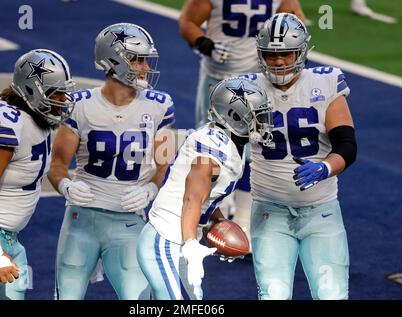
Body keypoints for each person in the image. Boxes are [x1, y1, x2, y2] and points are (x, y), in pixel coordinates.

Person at [47, 22, 175, 300]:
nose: (144, 67)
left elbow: (165, 164)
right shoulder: (79, 104)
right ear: (113, 60)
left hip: (129, 220)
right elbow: (57, 165)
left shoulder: (159, 105)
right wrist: (66, 186)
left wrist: (151, 189)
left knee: (140, 301)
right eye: (137, 59)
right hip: (82, 216)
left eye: (145, 59)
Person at [244, 13, 357, 300]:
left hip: (321, 209)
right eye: (272, 55)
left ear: (301, 52)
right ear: (261, 55)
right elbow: (224, 154)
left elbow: (346, 144)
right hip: (270, 212)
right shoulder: (246, 90)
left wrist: (324, 167)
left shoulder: (326, 82)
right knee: (273, 294)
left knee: (332, 295)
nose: (279, 62)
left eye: (286, 53)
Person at [0, 49, 76, 300]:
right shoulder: (6, 122)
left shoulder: (30, 113)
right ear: (32, 91)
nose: (63, 99)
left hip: (7, 237)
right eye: (56, 93)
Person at [179, 0, 307, 239]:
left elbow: (295, 24)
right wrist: (204, 44)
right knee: (212, 143)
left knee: (254, 145)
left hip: (258, 80)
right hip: (218, 77)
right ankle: (215, 204)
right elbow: (188, 23)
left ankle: (245, 217)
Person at [137, 77, 274, 300]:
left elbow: (205, 197)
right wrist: (191, 244)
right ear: (236, 117)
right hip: (165, 238)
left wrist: (217, 222)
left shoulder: (229, 144)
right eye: (256, 116)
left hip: (180, 237)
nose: (263, 122)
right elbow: (192, 197)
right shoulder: (213, 150)